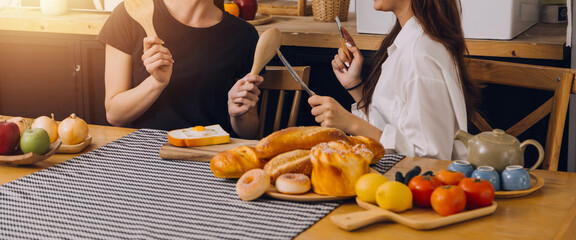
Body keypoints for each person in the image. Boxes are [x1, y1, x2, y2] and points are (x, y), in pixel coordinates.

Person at [308, 0, 480, 160]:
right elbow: (392, 124)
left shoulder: (418, 56)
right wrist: (355, 85)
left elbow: (430, 159)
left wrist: (352, 124)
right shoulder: (409, 43)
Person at [97, 0, 262, 139]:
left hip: (211, 153)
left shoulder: (244, 35)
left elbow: (249, 132)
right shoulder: (132, 14)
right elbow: (115, 115)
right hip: (144, 151)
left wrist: (238, 114)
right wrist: (156, 82)